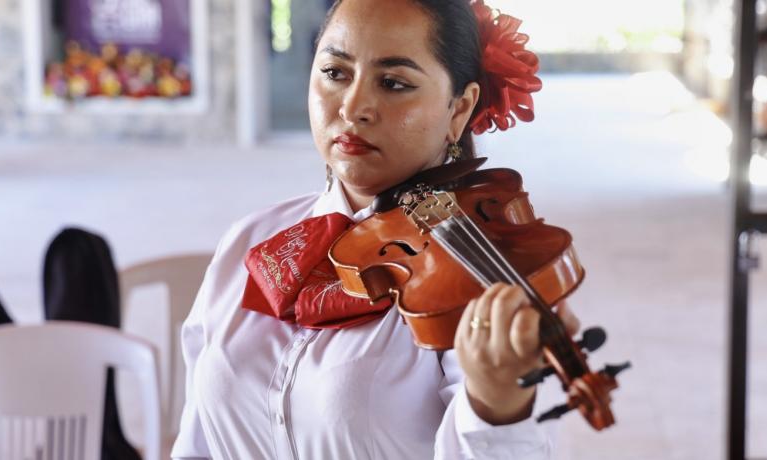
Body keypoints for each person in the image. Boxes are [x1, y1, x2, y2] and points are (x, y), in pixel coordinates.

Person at [171, 1, 579, 458]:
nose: (354, 106)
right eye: (334, 72)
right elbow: (197, 441)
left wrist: (497, 408)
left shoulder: (479, 278)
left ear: (459, 110)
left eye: (393, 83)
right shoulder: (249, 241)